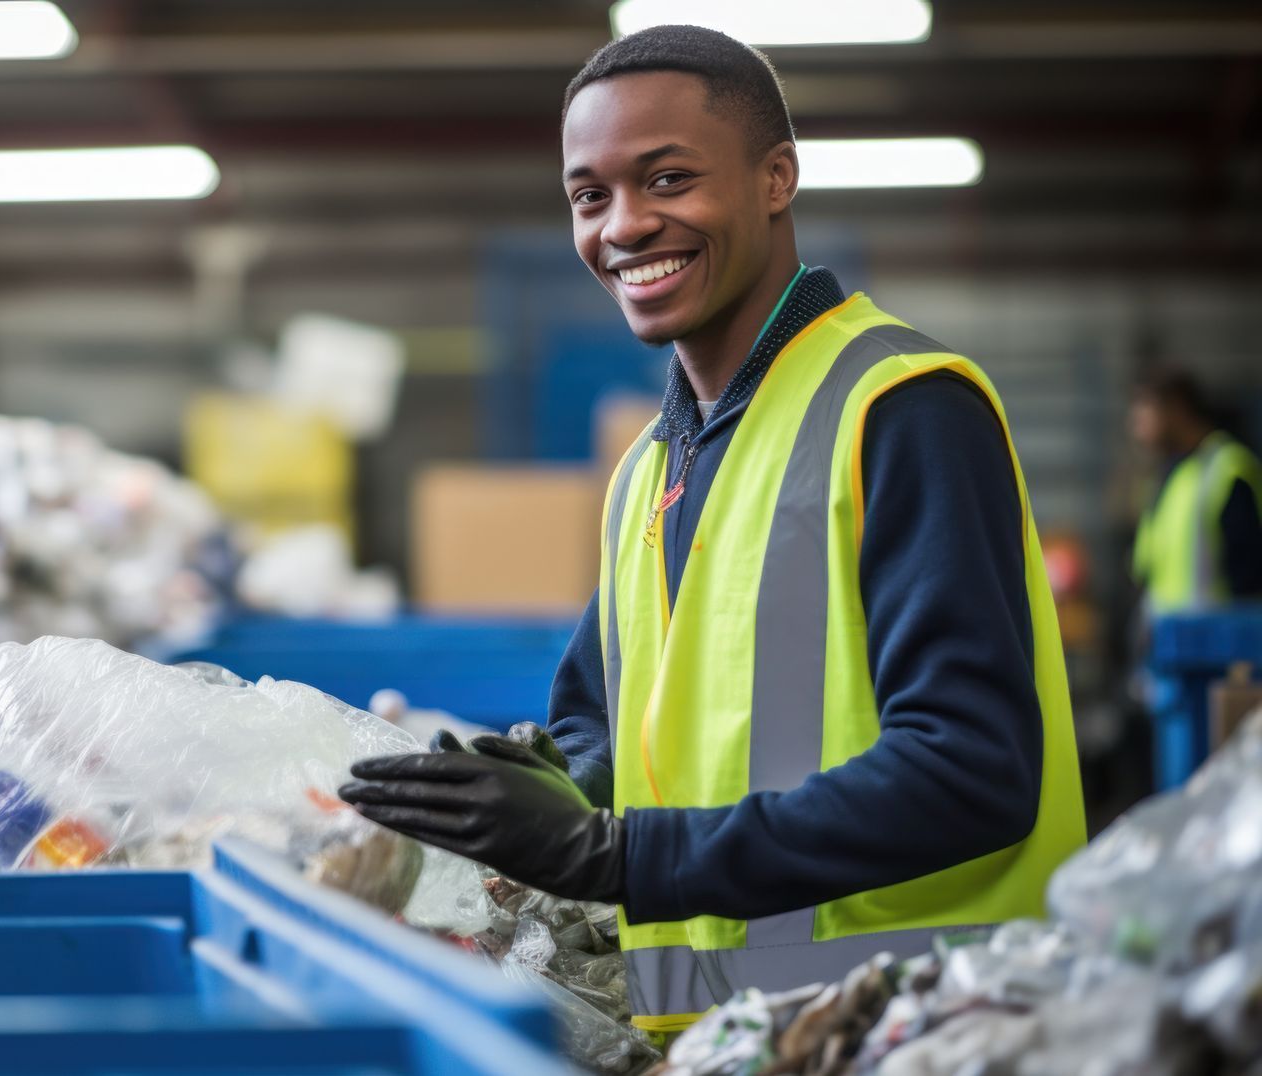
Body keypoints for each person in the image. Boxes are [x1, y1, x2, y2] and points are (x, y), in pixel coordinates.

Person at [339, 25, 1087, 1035]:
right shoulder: (651, 468)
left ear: (777, 177)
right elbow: (610, 731)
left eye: (668, 179)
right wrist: (532, 790)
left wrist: (616, 856)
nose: (626, 226)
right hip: (740, 1043)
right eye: (589, 196)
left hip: (922, 1029)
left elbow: (973, 770)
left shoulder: (900, 408)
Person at [1129, 367, 1262, 612]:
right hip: (1167, 641)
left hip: (1215, 642)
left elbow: (1248, 575)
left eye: (1145, 413)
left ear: (1177, 409)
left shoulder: (1227, 469)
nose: (1136, 427)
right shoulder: (1171, 472)